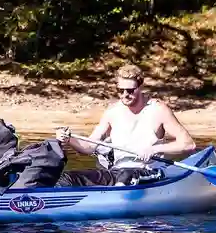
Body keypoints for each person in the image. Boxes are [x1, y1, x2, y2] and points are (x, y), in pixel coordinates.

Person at [56, 64, 196, 186]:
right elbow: (88, 147)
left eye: (130, 91)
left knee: (125, 177)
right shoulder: (112, 112)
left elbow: (188, 144)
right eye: (120, 90)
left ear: (140, 86)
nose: (125, 95)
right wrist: (68, 139)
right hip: (117, 171)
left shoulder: (158, 110)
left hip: (148, 171)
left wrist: (154, 149)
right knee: (67, 178)